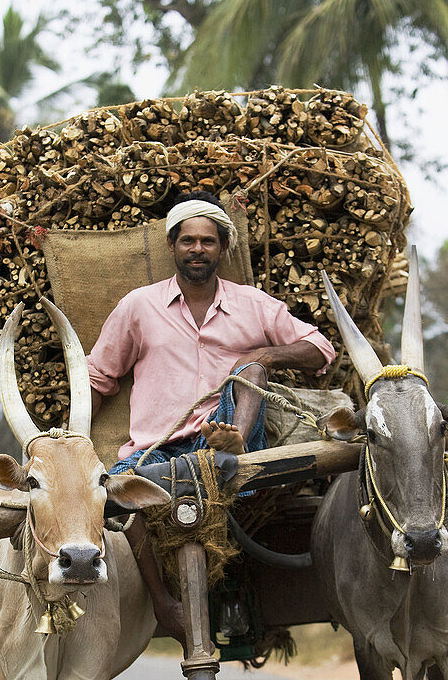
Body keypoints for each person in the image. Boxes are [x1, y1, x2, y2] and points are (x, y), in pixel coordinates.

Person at [87, 190, 335, 642]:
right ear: (172, 246)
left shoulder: (252, 303)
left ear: (223, 248)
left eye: (207, 241)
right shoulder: (138, 307)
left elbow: (320, 348)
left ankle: (234, 443)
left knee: (251, 367)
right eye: (187, 241)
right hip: (155, 449)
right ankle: (164, 603)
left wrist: (264, 352)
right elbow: (99, 376)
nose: (197, 249)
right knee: (121, 495)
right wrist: (68, 440)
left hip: (229, 439)